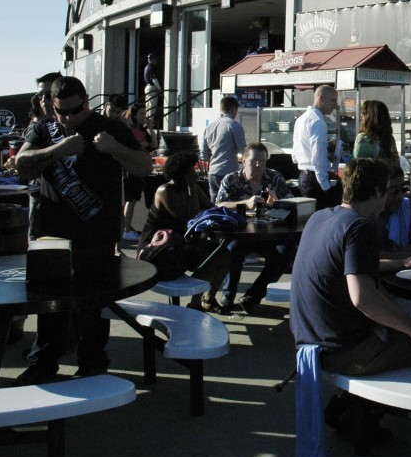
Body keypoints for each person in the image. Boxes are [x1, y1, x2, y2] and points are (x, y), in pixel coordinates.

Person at [13, 76, 153, 385]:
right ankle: (44, 364)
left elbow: (144, 166)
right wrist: (58, 149)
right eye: (61, 111)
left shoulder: (111, 128)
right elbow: (21, 163)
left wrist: (114, 147)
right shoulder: (44, 129)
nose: (68, 118)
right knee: (50, 305)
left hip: (97, 234)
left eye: (75, 111)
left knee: (93, 304)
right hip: (53, 235)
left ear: (86, 102)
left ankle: (93, 363)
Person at [291, 158, 411, 371]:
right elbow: (363, 298)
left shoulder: (320, 217)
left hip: (310, 341)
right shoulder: (359, 227)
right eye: (390, 190)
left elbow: (348, 267)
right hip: (344, 351)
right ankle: (380, 404)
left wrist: (400, 263)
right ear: (379, 191)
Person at [139, 150, 230, 311]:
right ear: (182, 173)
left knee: (223, 254)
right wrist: (193, 187)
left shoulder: (188, 189)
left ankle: (206, 299)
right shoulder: (165, 191)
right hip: (157, 250)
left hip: (179, 244)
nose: (195, 173)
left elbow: (210, 208)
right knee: (210, 257)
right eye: (191, 170)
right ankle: (195, 305)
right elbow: (190, 218)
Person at [215, 142, 294, 314]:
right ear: (244, 161)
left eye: (262, 161)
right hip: (241, 234)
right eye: (254, 161)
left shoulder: (275, 178)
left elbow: (292, 203)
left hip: (268, 234)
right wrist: (245, 203)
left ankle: (253, 295)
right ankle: (228, 295)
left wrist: (277, 203)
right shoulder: (231, 179)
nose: (258, 165)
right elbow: (219, 205)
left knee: (284, 253)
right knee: (232, 249)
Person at [293, 85, 341, 209]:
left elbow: (295, 154)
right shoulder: (318, 122)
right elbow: (318, 158)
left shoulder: (301, 119)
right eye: (333, 100)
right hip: (316, 179)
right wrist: (325, 186)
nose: (335, 105)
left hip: (304, 177)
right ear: (321, 98)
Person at [121, 101, 157, 241]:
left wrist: (150, 128)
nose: (144, 116)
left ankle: (128, 227)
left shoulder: (142, 130)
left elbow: (154, 144)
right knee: (131, 199)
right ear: (134, 115)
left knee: (134, 199)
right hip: (131, 168)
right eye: (141, 113)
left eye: (145, 113)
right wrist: (138, 145)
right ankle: (126, 228)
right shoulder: (129, 129)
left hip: (140, 168)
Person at [201, 96, 246, 203]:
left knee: (214, 204)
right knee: (230, 204)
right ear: (233, 109)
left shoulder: (209, 127)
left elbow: (204, 155)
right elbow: (244, 152)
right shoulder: (234, 125)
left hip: (212, 173)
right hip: (229, 172)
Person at [144, 54, 163, 130]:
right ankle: (150, 123)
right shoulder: (151, 67)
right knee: (152, 106)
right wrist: (159, 88)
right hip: (152, 87)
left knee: (148, 106)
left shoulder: (146, 67)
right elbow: (154, 78)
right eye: (154, 59)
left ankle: (147, 122)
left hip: (147, 87)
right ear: (151, 60)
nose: (156, 61)